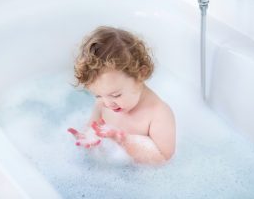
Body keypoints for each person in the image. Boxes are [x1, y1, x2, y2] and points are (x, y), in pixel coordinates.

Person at [67, 26, 176, 165]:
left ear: (141, 74)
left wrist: (124, 141)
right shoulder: (104, 102)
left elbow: (163, 160)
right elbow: (91, 128)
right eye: (98, 95)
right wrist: (88, 138)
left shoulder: (159, 114)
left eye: (116, 95)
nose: (107, 103)